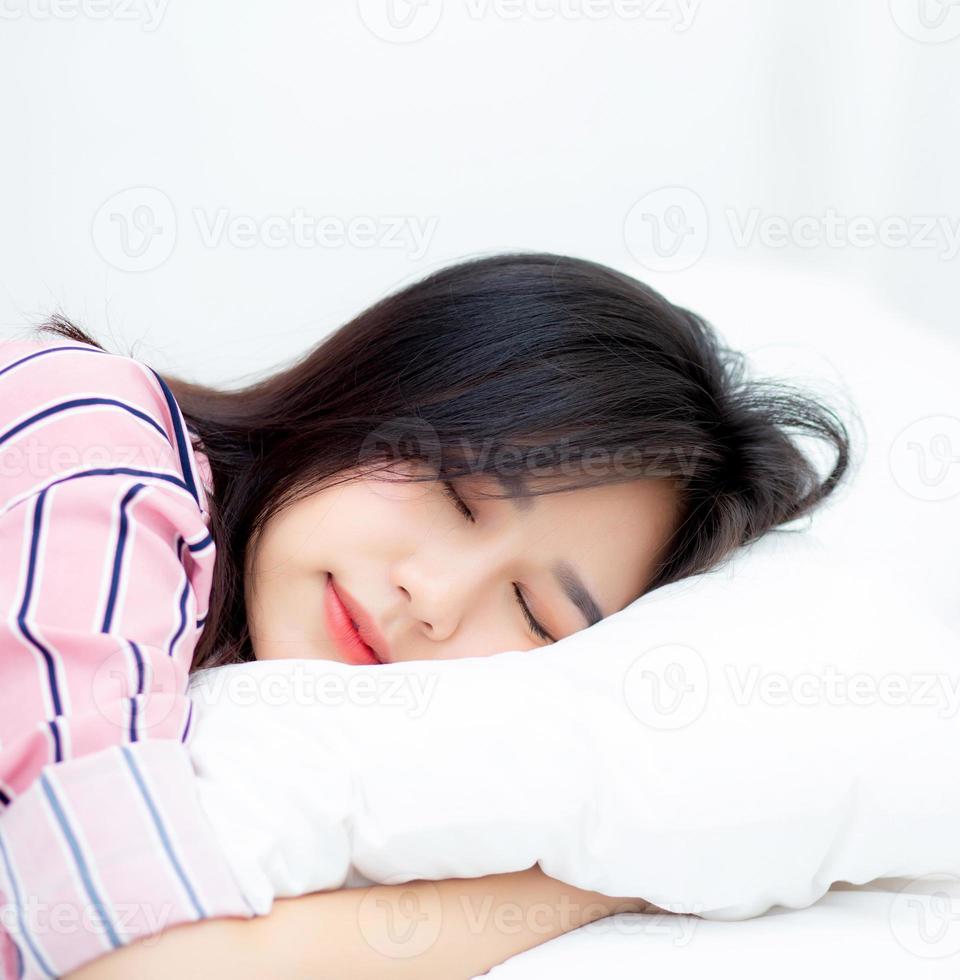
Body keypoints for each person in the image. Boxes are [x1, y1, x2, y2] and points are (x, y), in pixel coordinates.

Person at [0, 253, 849, 978]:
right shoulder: (95, 439)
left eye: (534, 611)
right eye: (453, 492)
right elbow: (123, 958)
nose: (436, 598)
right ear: (369, 391)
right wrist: (594, 886)